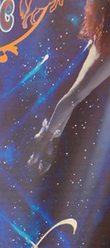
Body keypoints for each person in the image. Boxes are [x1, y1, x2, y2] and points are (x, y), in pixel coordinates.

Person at [28, 0, 110, 174]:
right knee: (76, 95)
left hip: (103, 31)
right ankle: (45, 139)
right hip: (105, 36)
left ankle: (47, 140)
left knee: (76, 95)